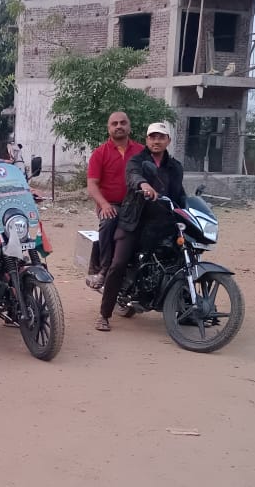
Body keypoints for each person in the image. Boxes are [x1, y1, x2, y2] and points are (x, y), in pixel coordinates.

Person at [96, 122, 186, 332]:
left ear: (168, 141)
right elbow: (132, 176)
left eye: (161, 137)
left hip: (163, 223)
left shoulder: (175, 167)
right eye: (153, 137)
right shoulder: (136, 160)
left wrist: (189, 211)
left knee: (181, 258)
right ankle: (104, 315)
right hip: (134, 221)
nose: (156, 141)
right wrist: (143, 184)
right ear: (147, 140)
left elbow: (179, 194)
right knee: (118, 264)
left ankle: (185, 308)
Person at [85, 112, 145, 291]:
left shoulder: (142, 151)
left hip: (137, 205)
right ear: (109, 128)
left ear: (129, 127)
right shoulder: (99, 153)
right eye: (114, 123)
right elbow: (92, 185)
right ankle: (104, 269)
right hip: (112, 205)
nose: (119, 126)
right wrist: (104, 204)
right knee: (109, 221)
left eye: (123, 123)